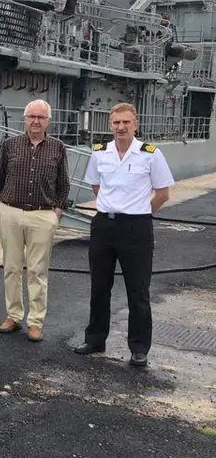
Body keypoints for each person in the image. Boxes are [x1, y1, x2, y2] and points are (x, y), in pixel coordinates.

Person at [74, 102, 174, 367]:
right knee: (99, 287)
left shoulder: (150, 154)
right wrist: (113, 209)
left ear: (135, 124)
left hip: (136, 228)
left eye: (126, 122)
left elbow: (163, 193)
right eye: (116, 123)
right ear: (110, 125)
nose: (121, 127)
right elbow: (97, 186)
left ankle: (139, 347)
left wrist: (140, 212)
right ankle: (95, 339)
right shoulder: (99, 153)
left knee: (138, 290)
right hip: (104, 226)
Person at [0, 99, 69, 342]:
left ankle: (35, 322)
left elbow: (63, 183)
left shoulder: (58, 147)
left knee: (37, 271)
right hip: (10, 211)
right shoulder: (10, 145)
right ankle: (13, 316)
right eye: (31, 116)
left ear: (48, 121)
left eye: (40, 117)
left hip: (42, 215)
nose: (35, 121)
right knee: (11, 267)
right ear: (25, 119)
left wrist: (57, 212)